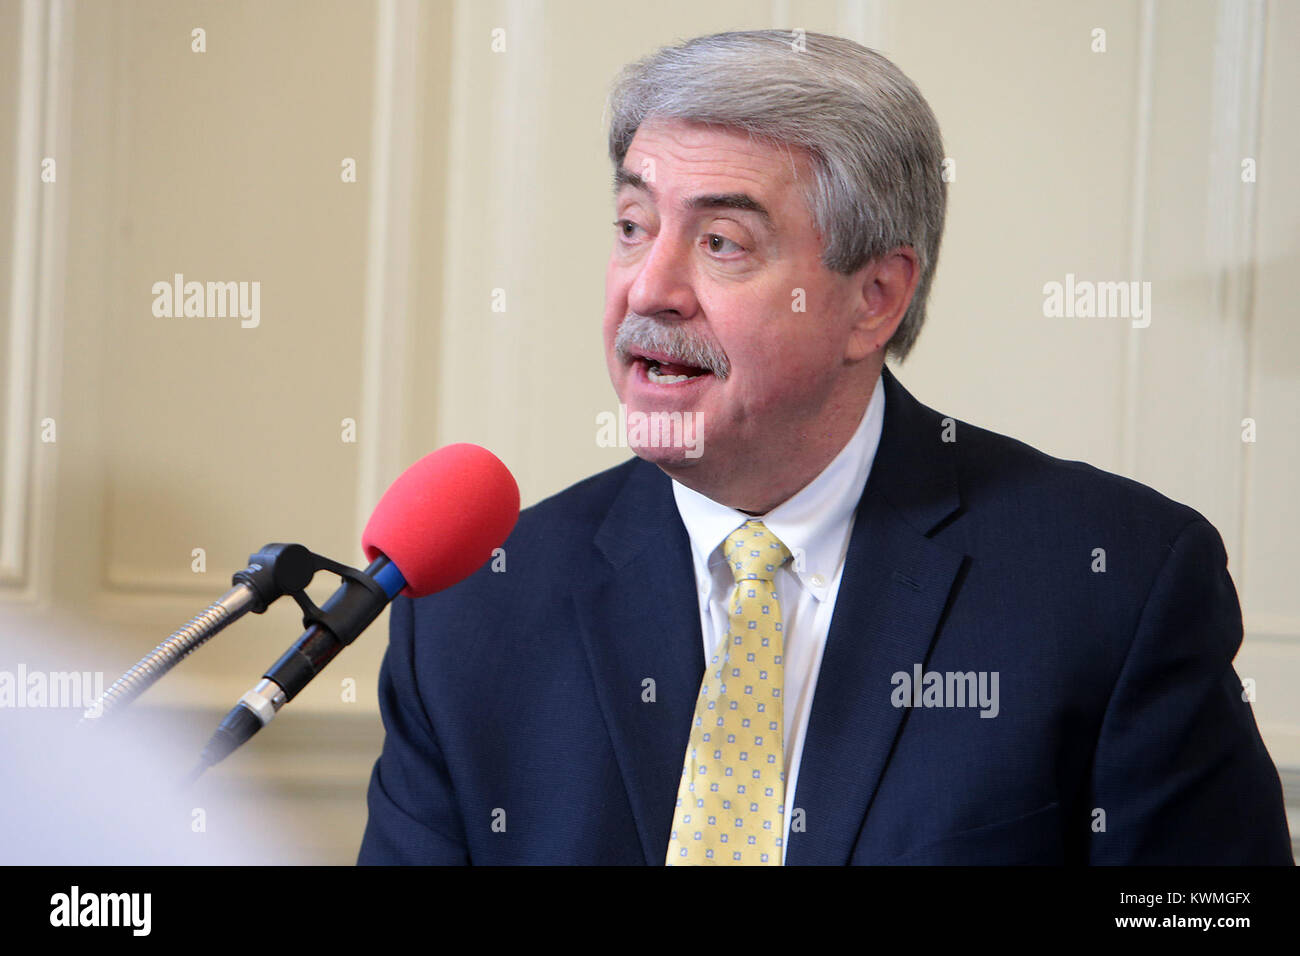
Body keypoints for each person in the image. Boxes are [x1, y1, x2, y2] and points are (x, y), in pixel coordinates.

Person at [357, 30, 1292, 865]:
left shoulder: (1113, 582)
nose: (648, 289)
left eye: (721, 242)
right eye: (633, 227)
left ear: (873, 298)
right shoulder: (473, 611)